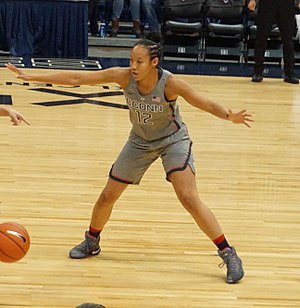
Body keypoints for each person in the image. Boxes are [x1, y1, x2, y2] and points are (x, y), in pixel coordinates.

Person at [6, 33, 253, 284]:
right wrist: (33, 76)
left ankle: (228, 252)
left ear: (154, 62)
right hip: (140, 141)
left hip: (172, 141)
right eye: (131, 60)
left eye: (139, 62)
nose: (133, 66)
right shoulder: (123, 77)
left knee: (189, 198)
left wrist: (228, 115)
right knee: (107, 195)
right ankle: (92, 241)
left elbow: (206, 103)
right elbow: (79, 77)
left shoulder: (170, 84)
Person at [248, 0, 299, 84]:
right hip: (267, 3)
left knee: (288, 40)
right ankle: (258, 72)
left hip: (286, 4)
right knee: (261, 38)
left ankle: (289, 73)